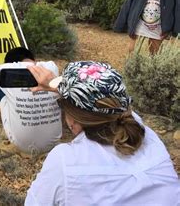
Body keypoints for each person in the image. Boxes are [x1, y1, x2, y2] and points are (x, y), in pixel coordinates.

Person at [25, 61, 180, 205]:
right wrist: (62, 89)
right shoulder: (148, 136)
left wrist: (64, 89)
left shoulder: (64, 161)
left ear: (73, 121)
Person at [0, 47, 62, 154]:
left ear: (10, 63)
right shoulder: (51, 66)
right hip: (53, 142)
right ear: (33, 59)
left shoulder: (5, 70)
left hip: (20, 143)